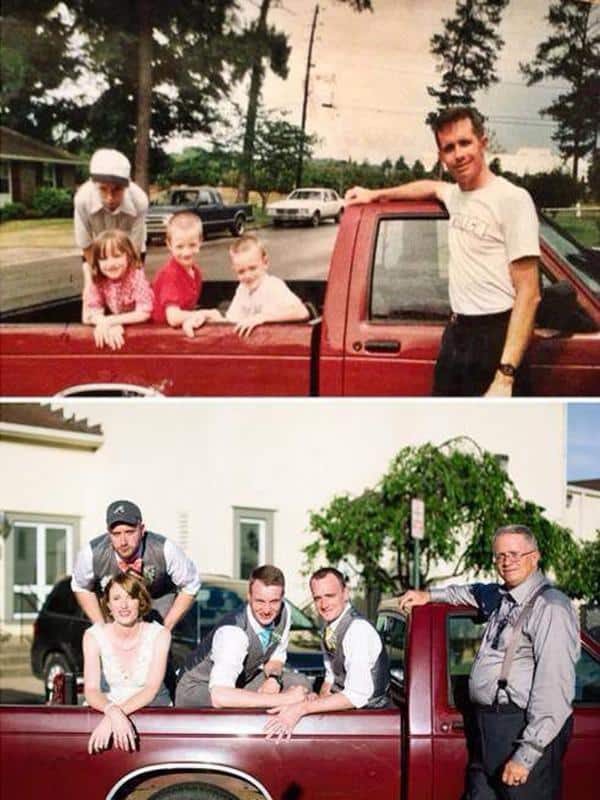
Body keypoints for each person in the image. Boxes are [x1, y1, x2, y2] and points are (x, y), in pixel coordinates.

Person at [345, 106, 541, 398]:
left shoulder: (512, 199)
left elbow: (529, 293)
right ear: (441, 156)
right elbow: (429, 186)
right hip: (457, 335)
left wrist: (505, 375)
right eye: (449, 148)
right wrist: (375, 195)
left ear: (483, 143)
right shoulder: (454, 195)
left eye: (465, 143)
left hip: (496, 338)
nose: (458, 154)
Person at [398, 524, 579, 799]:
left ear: (535, 556)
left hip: (520, 728)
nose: (507, 562)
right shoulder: (501, 596)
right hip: (488, 729)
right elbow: (470, 592)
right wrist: (428, 596)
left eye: (515, 554)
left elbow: (554, 689)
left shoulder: (551, 608)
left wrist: (526, 755)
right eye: (501, 555)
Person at [264, 567, 390, 742]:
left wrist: (302, 709)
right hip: (348, 718)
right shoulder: (329, 629)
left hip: (370, 725)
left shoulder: (358, 630)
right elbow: (331, 680)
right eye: (318, 598)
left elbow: (357, 695)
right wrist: (316, 698)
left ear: (345, 593)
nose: (324, 604)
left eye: (330, 596)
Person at [175, 564, 310, 708]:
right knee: (288, 697)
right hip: (200, 689)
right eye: (260, 601)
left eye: (274, 602)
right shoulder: (233, 633)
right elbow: (219, 696)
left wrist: (273, 678)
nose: (266, 610)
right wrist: (283, 699)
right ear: (249, 596)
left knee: (300, 683)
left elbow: (276, 657)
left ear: (282, 598)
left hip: (241, 681)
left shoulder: (285, 613)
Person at [71, 499, 201, 632]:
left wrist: (166, 628)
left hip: (157, 611)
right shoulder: (91, 554)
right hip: (114, 617)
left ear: (142, 529)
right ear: (108, 533)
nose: (123, 542)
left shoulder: (165, 549)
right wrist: (101, 628)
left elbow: (191, 584)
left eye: (130, 532)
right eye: (116, 534)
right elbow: (80, 586)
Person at [83, 573, 171, 754]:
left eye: (131, 597)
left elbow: (150, 689)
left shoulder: (160, 635)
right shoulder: (93, 636)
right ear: (108, 604)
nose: (123, 605)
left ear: (141, 601)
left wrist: (114, 716)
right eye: (116, 598)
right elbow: (91, 690)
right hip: (105, 716)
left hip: (154, 719)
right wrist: (112, 712)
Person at [74, 148, 148, 288]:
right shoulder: (82, 200)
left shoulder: (139, 201)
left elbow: (134, 249)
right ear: (93, 183)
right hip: (98, 252)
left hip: (130, 251)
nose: (110, 198)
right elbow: (86, 244)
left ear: (128, 184)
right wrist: (98, 277)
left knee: (133, 289)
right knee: (93, 291)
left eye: (117, 190)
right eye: (103, 189)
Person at [151, 211, 221, 337]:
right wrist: (207, 313)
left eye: (192, 245)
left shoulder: (196, 272)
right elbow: (173, 317)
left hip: (176, 333)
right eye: (180, 247)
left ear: (200, 241)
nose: (186, 252)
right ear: (169, 244)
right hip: (159, 335)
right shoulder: (170, 275)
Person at [225, 234, 309, 337]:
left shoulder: (273, 285)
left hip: (278, 342)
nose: (248, 276)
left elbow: (301, 312)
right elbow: (231, 321)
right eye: (241, 271)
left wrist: (262, 317)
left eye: (252, 268)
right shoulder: (242, 289)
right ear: (234, 270)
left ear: (265, 263)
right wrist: (210, 315)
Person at [81, 230, 154, 350]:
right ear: (97, 262)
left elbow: (145, 312)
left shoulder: (136, 276)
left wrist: (112, 321)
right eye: (103, 258)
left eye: (116, 256)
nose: (110, 264)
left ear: (129, 256)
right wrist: (106, 323)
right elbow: (89, 313)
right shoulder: (99, 279)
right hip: (117, 324)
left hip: (145, 332)